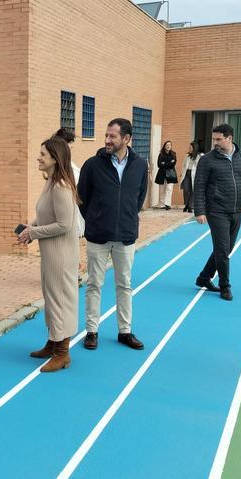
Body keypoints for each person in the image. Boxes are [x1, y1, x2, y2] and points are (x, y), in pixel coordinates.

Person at [77, 118, 147, 352]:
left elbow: (138, 197)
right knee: (94, 284)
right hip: (98, 236)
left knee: (124, 285)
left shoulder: (139, 165)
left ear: (126, 139)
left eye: (112, 136)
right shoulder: (92, 165)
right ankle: (91, 331)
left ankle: (125, 331)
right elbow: (82, 199)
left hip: (126, 236)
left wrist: (126, 217)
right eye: (106, 135)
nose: (107, 140)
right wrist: (96, 220)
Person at [18, 138, 79, 372]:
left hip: (61, 254)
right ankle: (54, 342)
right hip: (51, 252)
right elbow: (45, 215)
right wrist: (29, 227)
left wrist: (33, 233)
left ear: (55, 158)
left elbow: (64, 224)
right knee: (51, 297)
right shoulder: (51, 182)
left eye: (43, 154)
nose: (38, 157)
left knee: (60, 300)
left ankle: (63, 352)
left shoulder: (61, 187)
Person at [194, 123, 241, 302]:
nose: (215, 142)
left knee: (225, 248)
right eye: (213, 139)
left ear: (229, 138)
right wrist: (199, 210)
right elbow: (199, 186)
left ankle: (203, 277)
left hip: (236, 210)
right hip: (216, 210)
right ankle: (225, 286)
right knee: (223, 250)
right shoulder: (207, 160)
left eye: (218, 139)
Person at [54, 127, 85, 238]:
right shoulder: (59, 167)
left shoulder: (68, 164)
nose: (71, 146)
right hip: (66, 214)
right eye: (70, 143)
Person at [154, 140, 178, 209]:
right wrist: (168, 163)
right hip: (162, 174)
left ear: (171, 146)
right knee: (162, 189)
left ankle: (167, 204)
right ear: (164, 146)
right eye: (167, 145)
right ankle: (162, 204)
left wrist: (164, 163)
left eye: (169, 145)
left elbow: (173, 164)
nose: (168, 146)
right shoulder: (161, 154)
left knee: (169, 189)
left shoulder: (173, 154)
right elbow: (159, 164)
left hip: (170, 174)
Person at [181, 141, 203, 213]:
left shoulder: (200, 156)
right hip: (187, 174)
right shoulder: (187, 156)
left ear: (194, 148)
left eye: (190, 147)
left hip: (195, 175)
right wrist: (181, 173)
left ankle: (190, 206)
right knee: (186, 190)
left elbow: (201, 166)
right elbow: (183, 165)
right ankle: (186, 204)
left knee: (193, 190)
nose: (189, 149)